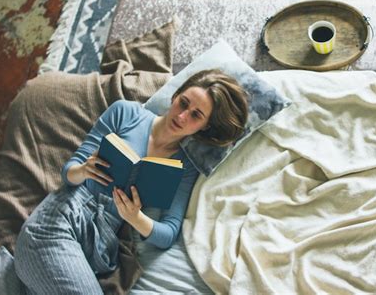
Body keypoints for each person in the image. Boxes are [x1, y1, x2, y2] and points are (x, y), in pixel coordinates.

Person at [14, 69, 249, 295]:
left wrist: (135, 218)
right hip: (57, 222)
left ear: (204, 126)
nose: (181, 116)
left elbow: (168, 234)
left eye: (196, 115)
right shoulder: (125, 113)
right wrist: (84, 170)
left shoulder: (185, 166)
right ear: (176, 95)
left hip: (94, 249)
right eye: (184, 102)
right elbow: (68, 172)